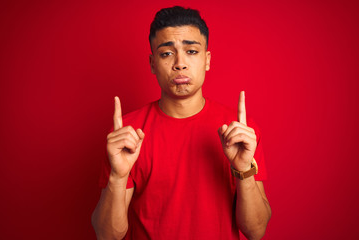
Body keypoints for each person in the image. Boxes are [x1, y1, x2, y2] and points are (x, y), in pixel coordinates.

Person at [92, 6, 271, 240]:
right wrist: (117, 176)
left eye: (191, 51)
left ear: (207, 59)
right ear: (153, 63)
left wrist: (244, 170)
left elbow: (256, 231)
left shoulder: (240, 132)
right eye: (166, 53)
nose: (180, 63)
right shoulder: (127, 135)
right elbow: (107, 236)